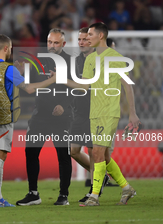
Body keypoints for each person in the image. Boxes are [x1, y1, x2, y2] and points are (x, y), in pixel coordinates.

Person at [50, 22, 139, 206]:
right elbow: (84, 87)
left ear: (100, 36)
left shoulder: (115, 57)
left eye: (90, 35)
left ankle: (94, 196)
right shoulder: (91, 59)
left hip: (110, 113)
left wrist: (132, 113)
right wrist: (63, 79)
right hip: (94, 113)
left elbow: (127, 86)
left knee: (97, 152)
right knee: (104, 156)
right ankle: (126, 187)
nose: (87, 38)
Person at [0, 34, 56, 207]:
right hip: (5, 116)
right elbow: (29, 89)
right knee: (0, 154)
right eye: (11, 48)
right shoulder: (8, 69)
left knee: (0, 154)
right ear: (6, 48)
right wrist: (52, 79)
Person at [16, 28, 74, 206]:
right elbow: (31, 85)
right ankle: (33, 193)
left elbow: (78, 89)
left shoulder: (71, 62)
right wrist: (21, 73)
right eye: (50, 42)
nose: (52, 46)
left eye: (56, 43)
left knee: (63, 155)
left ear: (63, 44)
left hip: (61, 118)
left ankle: (63, 195)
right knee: (30, 152)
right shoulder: (38, 60)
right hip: (40, 114)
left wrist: (64, 106)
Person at [69, 28, 109, 203]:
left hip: (95, 111)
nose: (81, 42)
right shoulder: (76, 61)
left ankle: (94, 190)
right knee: (74, 151)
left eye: (85, 39)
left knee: (93, 151)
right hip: (79, 112)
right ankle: (102, 176)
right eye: (79, 39)